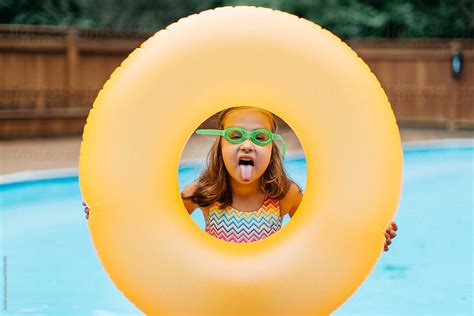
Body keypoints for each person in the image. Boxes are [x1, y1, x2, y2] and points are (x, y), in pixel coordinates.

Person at [83, 106, 397, 247]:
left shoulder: (285, 196)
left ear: (273, 150)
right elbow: (152, 223)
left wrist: (370, 235)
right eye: (235, 135)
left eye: (260, 138)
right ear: (220, 145)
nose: (247, 145)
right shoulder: (204, 193)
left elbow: (327, 233)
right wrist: (110, 215)